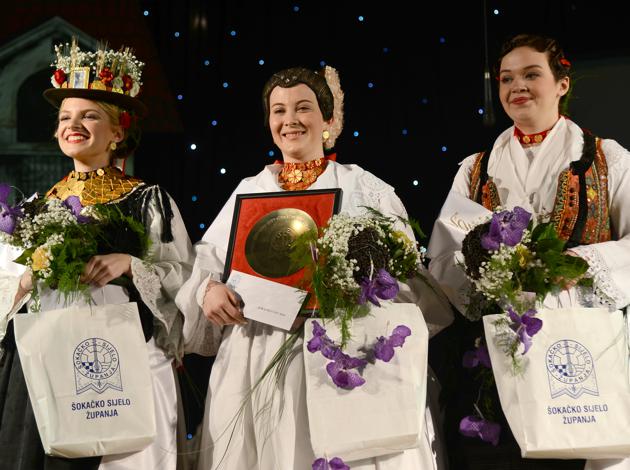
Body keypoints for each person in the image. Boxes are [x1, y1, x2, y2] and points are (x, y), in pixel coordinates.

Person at [176, 65, 454, 469]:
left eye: (303, 108)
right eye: (279, 111)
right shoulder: (250, 190)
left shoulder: (363, 187)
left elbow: (407, 275)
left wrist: (354, 288)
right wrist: (209, 290)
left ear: (327, 119)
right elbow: (207, 261)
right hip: (258, 354)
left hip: (342, 351)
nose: (290, 120)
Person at [427, 33, 630, 470]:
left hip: (581, 348)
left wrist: (581, 263)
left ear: (562, 84)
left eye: (531, 74)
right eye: (506, 78)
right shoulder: (475, 169)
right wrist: (487, 277)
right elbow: (445, 258)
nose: (516, 86)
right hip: (494, 354)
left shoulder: (606, 159)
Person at [0, 40, 194, 470]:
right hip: (50, 358)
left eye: (89, 116)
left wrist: (131, 264)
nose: (74, 124)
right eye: (65, 117)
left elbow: (183, 275)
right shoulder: (37, 208)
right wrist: (27, 277)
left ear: (118, 132)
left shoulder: (147, 199)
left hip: (121, 358)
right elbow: (5, 286)